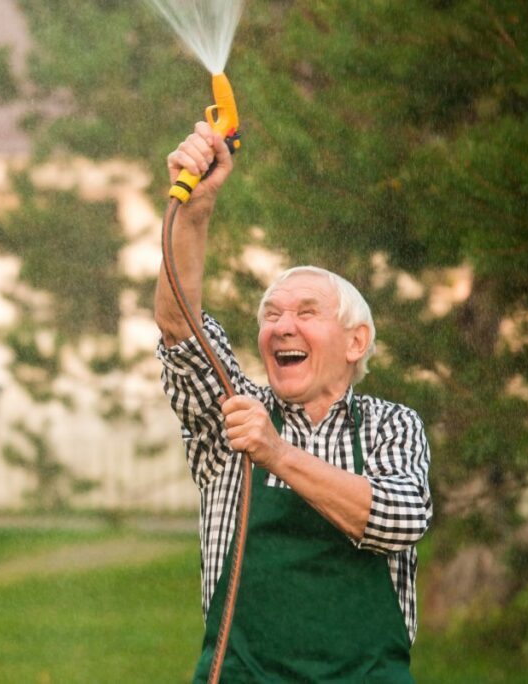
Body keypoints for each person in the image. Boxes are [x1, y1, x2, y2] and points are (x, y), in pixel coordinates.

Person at [156, 121, 433, 683]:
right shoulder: (232, 415)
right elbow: (178, 325)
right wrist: (196, 209)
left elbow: (398, 519)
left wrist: (278, 456)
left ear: (356, 342)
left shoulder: (390, 426)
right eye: (271, 314)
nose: (283, 325)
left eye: (307, 313)